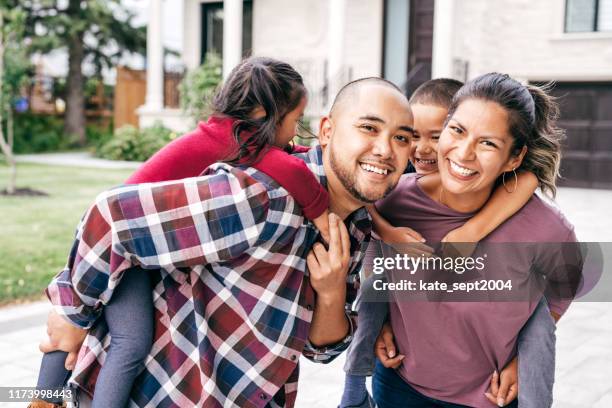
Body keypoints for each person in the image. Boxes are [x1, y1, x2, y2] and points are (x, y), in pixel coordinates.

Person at [39, 77, 416, 407]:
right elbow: (111, 216)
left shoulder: (358, 224)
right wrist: (74, 313)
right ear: (326, 131)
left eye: (401, 137)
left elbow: (321, 349)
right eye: (369, 128)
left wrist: (331, 294)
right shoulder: (264, 198)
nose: (385, 149)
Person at [371, 73, 582, 407]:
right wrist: (377, 318)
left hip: (489, 397)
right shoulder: (394, 201)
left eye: (488, 143)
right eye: (457, 130)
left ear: (514, 158)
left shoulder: (544, 227)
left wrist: (523, 356)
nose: (464, 153)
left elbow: (566, 283)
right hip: (399, 386)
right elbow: (365, 261)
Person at [339, 77, 543, 408]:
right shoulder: (400, 179)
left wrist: (473, 231)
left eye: (434, 136)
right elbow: (362, 201)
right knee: (374, 286)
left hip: (478, 383)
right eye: (412, 136)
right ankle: (352, 386)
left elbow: (529, 179)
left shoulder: (507, 191)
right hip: (402, 366)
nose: (421, 148)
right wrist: (389, 234)